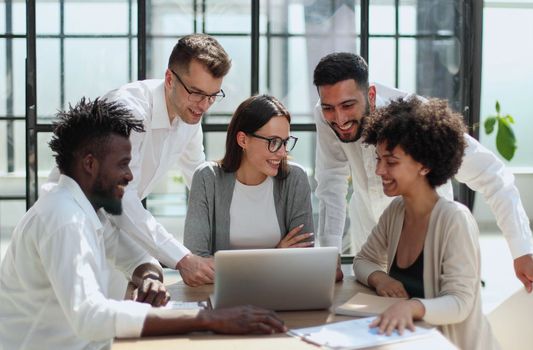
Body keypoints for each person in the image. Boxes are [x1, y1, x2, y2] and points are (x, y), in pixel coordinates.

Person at [0, 98, 286, 350]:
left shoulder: (86, 209)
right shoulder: (63, 219)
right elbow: (91, 316)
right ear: (90, 164)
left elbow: (133, 256)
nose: (129, 176)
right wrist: (208, 319)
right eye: (123, 164)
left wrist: (149, 275)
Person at [313, 52, 533, 291]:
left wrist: (521, 250)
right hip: (369, 233)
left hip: (429, 233)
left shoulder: (415, 117)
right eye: (329, 107)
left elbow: (491, 174)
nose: (339, 118)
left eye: (348, 105)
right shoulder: (325, 115)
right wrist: (331, 252)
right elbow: (330, 182)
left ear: (371, 94)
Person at [46, 33, 231, 286]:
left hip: (115, 223)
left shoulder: (189, 119)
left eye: (213, 96)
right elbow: (121, 197)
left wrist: (241, 247)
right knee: (69, 313)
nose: (204, 106)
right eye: (197, 93)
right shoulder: (128, 111)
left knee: (131, 299)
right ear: (169, 79)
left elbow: (201, 185)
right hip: (70, 218)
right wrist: (182, 259)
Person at [353, 97, 499, 349]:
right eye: (378, 159)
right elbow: (363, 261)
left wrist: (412, 307)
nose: (379, 171)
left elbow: (460, 302)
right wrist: (381, 279)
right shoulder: (396, 212)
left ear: (425, 165)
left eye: (391, 162)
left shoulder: (454, 220)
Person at [184, 95, 314, 256]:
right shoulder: (207, 178)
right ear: (243, 140)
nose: (282, 153)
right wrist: (277, 255)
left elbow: (304, 257)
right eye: (273, 142)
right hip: (220, 283)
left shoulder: (295, 179)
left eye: (285, 142)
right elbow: (196, 261)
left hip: (281, 282)